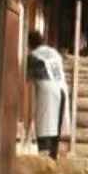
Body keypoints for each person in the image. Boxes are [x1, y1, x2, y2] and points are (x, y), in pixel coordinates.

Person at [26, 27, 69, 157]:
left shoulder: (33, 56)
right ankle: (53, 158)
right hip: (61, 89)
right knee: (55, 128)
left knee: (45, 127)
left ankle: (45, 158)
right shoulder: (54, 53)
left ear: (30, 44)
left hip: (47, 91)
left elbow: (28, 80)